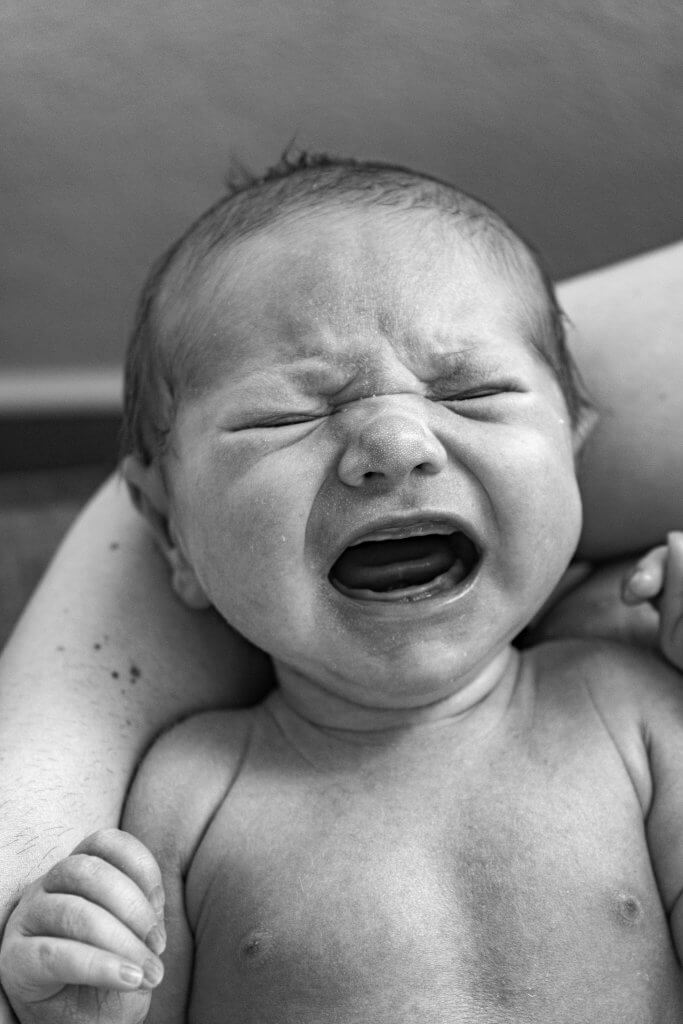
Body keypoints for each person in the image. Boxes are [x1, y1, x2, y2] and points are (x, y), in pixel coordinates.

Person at [1, 156, 681, 1022]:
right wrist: (74, 999)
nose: (397, 443)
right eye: (286, 416)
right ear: (168, 525)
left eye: (472, 393)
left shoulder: (635, 710)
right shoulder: (191, 794)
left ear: (575, 452)